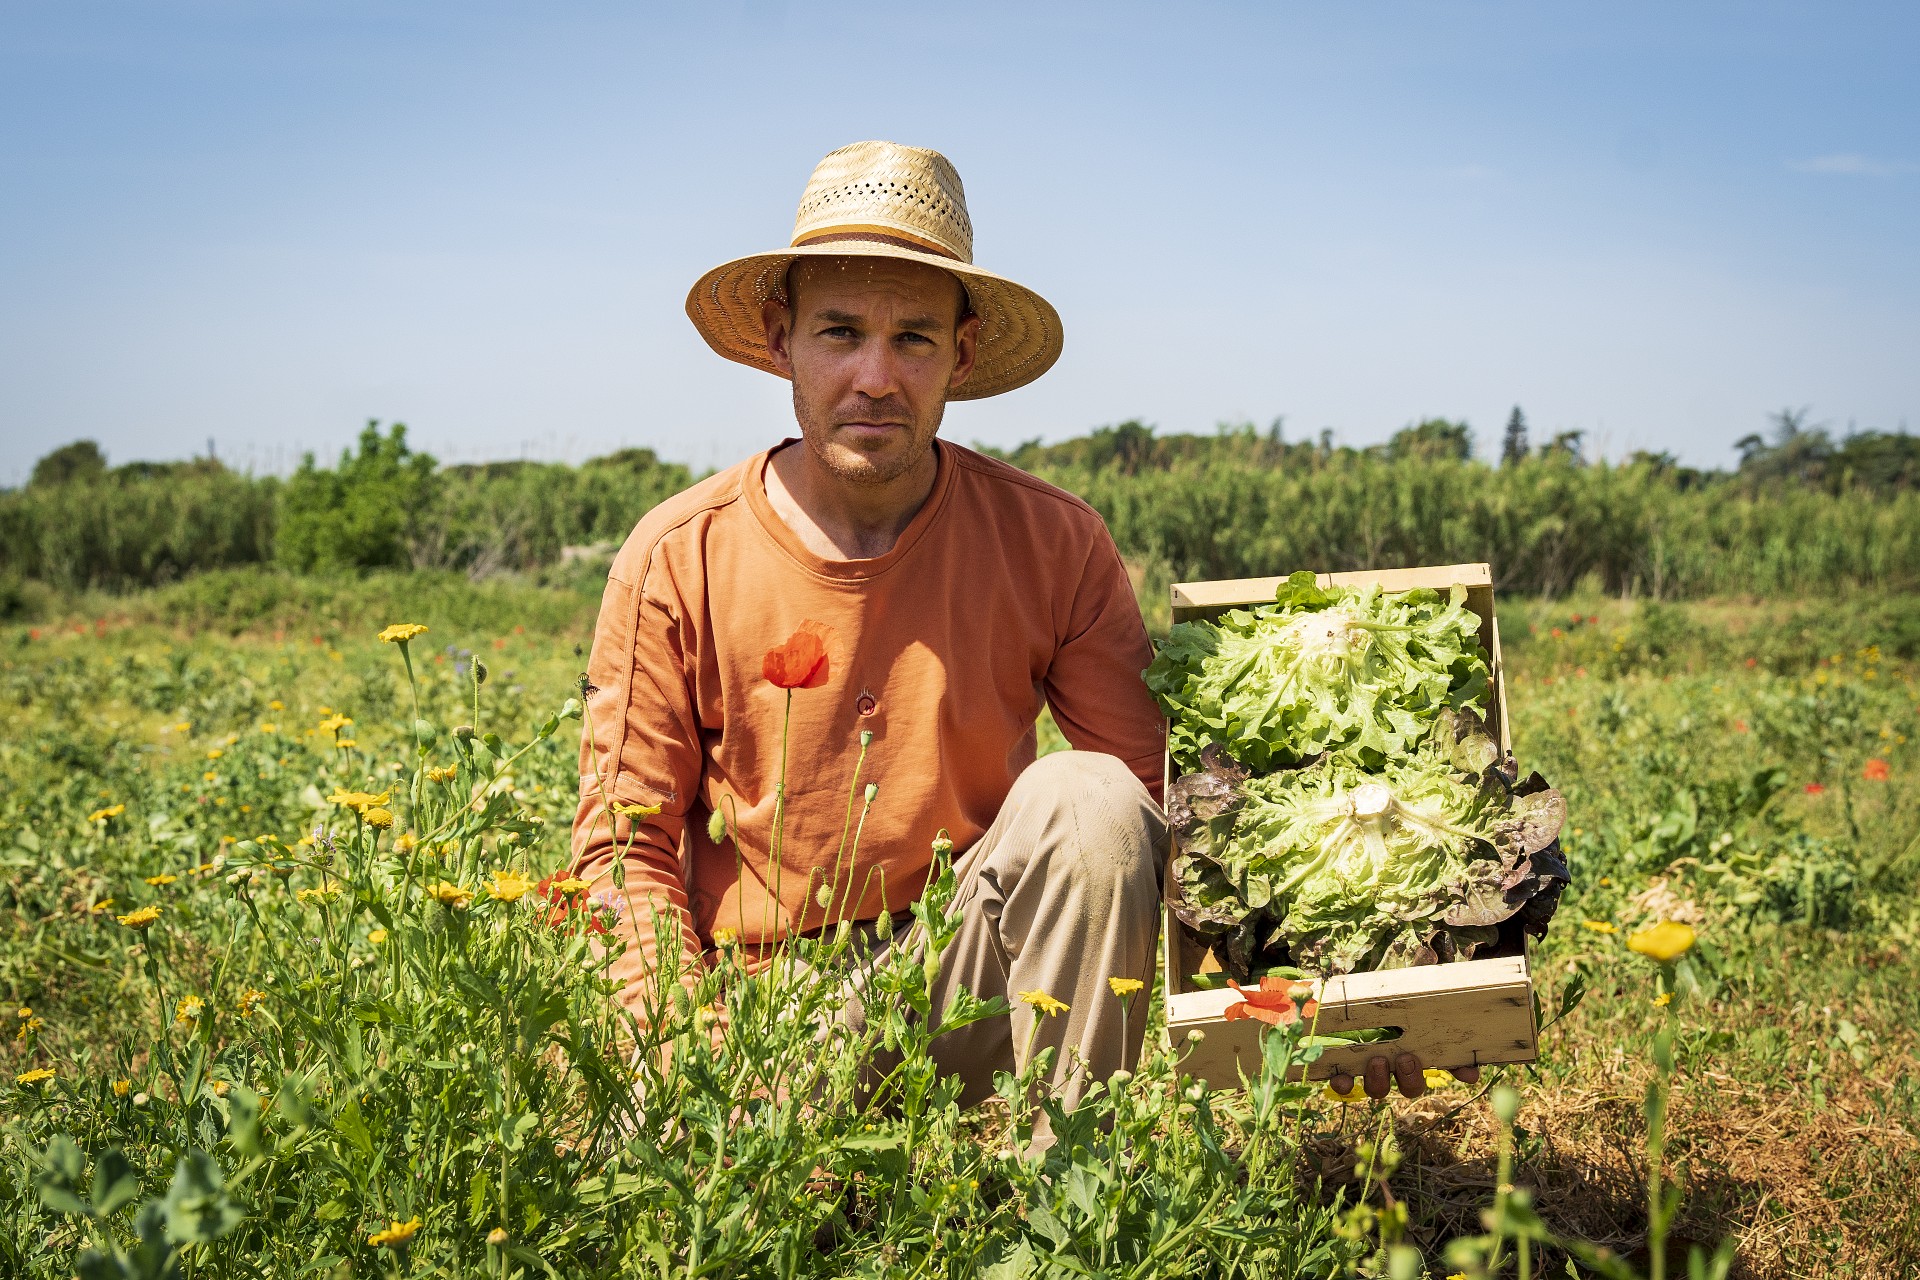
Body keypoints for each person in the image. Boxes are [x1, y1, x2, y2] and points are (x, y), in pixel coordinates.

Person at [569, 139, 1460, 1113]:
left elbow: (1168, 807)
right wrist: (682, 1065)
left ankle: (1072, 1209)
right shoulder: (680, 553)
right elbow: (625, 849)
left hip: (963, 982)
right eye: (838, 331)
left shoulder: (1051, 539)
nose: (875, 375)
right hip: (755, 1018)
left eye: (914, 336)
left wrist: (1338, 999)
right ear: (780, 338)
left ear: (964, 348)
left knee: (1093, 797)